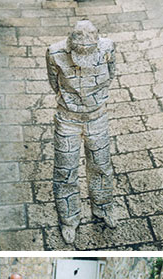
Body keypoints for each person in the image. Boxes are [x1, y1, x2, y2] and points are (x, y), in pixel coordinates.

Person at [46, 19, 117, 244]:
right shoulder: (54, 52)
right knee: (66, 171)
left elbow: (111, 74)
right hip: (68, 120)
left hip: (97, 117)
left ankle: (103, 208)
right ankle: (69, 219)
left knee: (101, 166)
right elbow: (54, 83)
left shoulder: (108, 48)